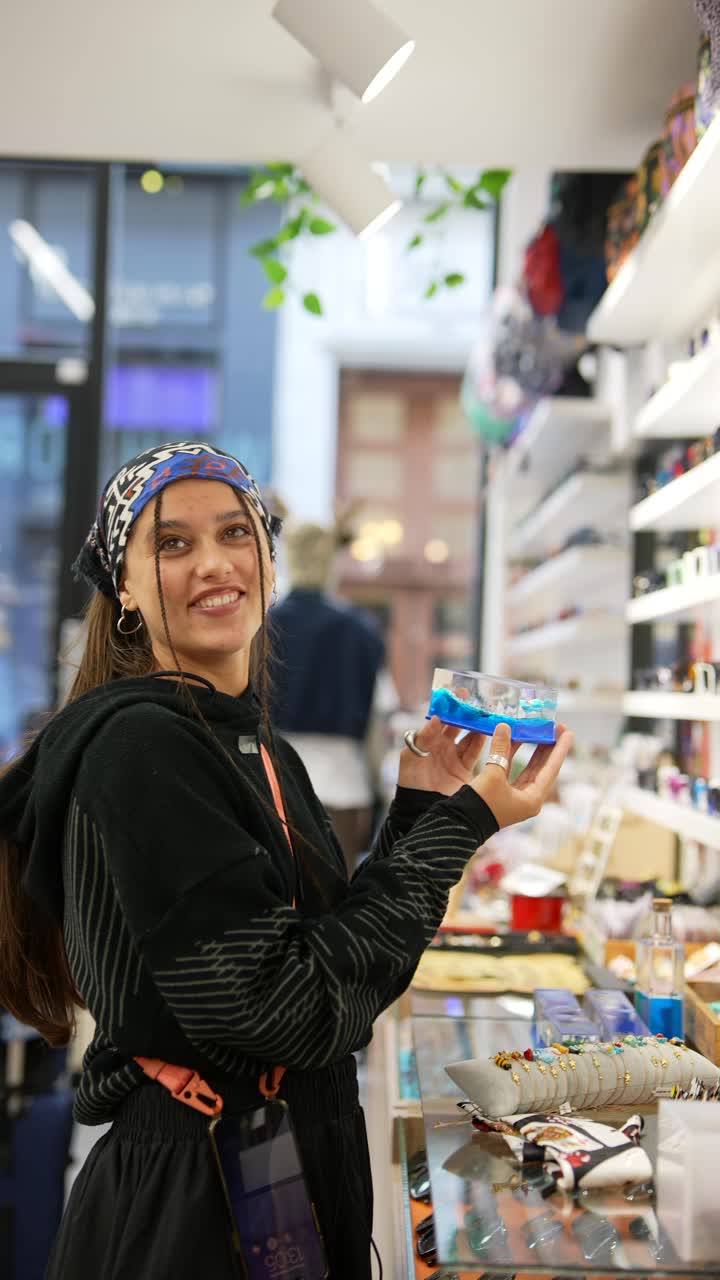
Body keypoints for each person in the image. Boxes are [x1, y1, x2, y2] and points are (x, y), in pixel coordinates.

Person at [0, 441, 572, 1280]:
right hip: (194, 1203)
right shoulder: (139, 747)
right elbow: (295, 1014)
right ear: (122, 586)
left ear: (269, 556)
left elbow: (339, 971)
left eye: (237, 531)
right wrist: (466, 824)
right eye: (172, 543)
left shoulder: (251, 742)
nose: (215, 563)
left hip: (269, 1169)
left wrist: (422, 809)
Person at [268, 517, 390, 875]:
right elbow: (375, 720)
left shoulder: (264, 626)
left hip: (274, 779)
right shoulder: (362, 631)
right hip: (344, 782)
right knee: (336, 902)